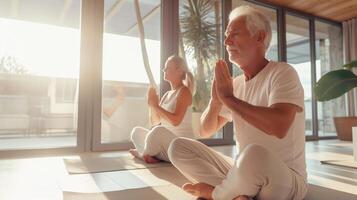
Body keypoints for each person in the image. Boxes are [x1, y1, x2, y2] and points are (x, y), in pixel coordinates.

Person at [167, 5, 308, 200]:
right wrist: (216, 101)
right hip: (244, 171)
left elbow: (279, 125)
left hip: (284, 180)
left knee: (253, 155)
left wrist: (229, 99)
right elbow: (205, 130)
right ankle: (237, 195)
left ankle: (217, 194)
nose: (226, 41)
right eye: (226, 35)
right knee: (178, 147)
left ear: (259, 37)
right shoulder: (235, 85)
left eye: (234, 34)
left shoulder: (283, 73)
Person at [129, 55, 196, 164]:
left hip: (181, 148)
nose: (164, 70)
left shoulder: (184, 92)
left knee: (158, 131)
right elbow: (154, 122)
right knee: (136, 131)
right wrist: (151, 104)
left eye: (167, 68)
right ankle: (150, 154)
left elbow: (175, 121)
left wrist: (156, 106)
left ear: (179, 71)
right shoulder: (166, 95)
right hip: (166, 147)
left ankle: (143, 154)